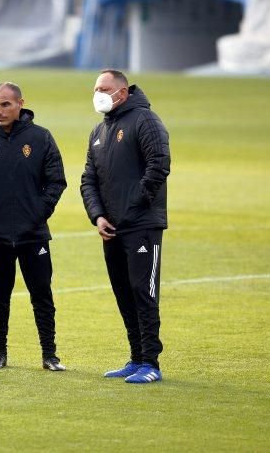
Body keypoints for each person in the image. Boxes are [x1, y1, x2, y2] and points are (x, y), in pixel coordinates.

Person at [0, 82, 68, 371]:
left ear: (21, 104)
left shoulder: (41, 138)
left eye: (5, 104)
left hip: (33, 233)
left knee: (42, 295)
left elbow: (56, 181)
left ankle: (50, 354)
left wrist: (39, 212)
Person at [80, 69, 170, 384]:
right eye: (95, 89)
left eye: (104, 88)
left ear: (123, 92)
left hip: (142, 225)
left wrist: (131, 210)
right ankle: (135, 357)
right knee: (123, 292)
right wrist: (98, 215)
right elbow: (88, 178)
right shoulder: (98, 132)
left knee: (142, 291)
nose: (98, 94)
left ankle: (151, 363)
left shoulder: (145, 121)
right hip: (112, 228)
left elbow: (159, 165)